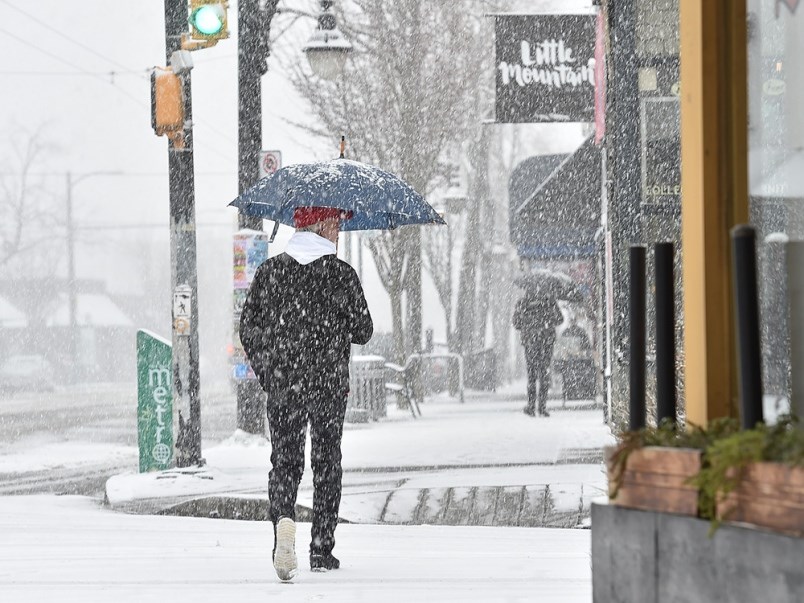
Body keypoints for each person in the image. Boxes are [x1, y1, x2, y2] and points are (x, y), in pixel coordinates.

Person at [239, 206, 373, 581]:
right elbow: (364, 329)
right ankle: (321, 548)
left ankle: (284, 520)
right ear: (322, 225)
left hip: (284, 386)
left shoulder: (271, 272)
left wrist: (270, 371)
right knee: (327, 463)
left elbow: (248, 328)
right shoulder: (340, 274)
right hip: (328, 386)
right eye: (336, 223)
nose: (340, 230)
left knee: (285, 462)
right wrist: (339, 310)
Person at [513, 290, 563, 417]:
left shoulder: (523, 302)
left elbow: (516, 323)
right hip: (546, 342)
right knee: (544, 374)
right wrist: (547, 322)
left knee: (531, 375)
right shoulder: (550, 302)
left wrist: (528, 325)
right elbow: (559, 319)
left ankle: (531, 406)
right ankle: (542, 407)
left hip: (530, 342)